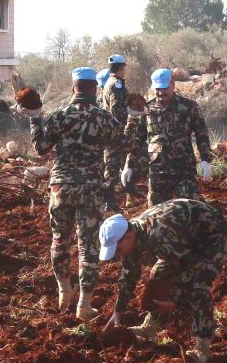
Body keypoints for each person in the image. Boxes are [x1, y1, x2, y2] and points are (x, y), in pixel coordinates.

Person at [24, 66, 124, 320]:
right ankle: (84, 304)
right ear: (95, 89)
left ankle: (63, 289)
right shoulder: (104, 118)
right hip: (90, 188)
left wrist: (35, 118)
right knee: (88, 246)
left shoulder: (59, 116)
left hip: (61, 187)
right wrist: (133, 120)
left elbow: (42, 148)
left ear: (73, 88)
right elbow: (123, 144)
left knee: (59, 240)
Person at [98, 199, 227, 363]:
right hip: (182, 240)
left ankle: (202, 348)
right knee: (159, 274)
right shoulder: (132, 238)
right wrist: (118, 310)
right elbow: (129, 273)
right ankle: (150, 328)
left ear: (129, 236)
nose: (117, 255)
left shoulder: (158, 235)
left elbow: (191, 267)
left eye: (117, 249)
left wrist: (174, 300)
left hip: (211, 235)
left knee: (198, 284)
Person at [125, 68, 213, 206]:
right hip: (157, 172)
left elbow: (201, 133)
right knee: (155, 216)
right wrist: (129, 165)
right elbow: (137, 139)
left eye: (164, 88)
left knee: (190, 209)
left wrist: (206, 160)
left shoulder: (189, 107)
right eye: (157, 89)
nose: (160, 93)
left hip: (184, 171)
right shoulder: (147, 109)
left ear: (172, 84)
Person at [98, 54, 132, 203]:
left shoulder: (109, 83)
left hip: (110, 132)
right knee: (117, 167)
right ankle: (111, 201)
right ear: (121, 67)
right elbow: (117, 111)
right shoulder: (117, 85)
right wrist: (132, 116)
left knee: (113, 167)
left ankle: (112, 200)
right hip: (117, 133)